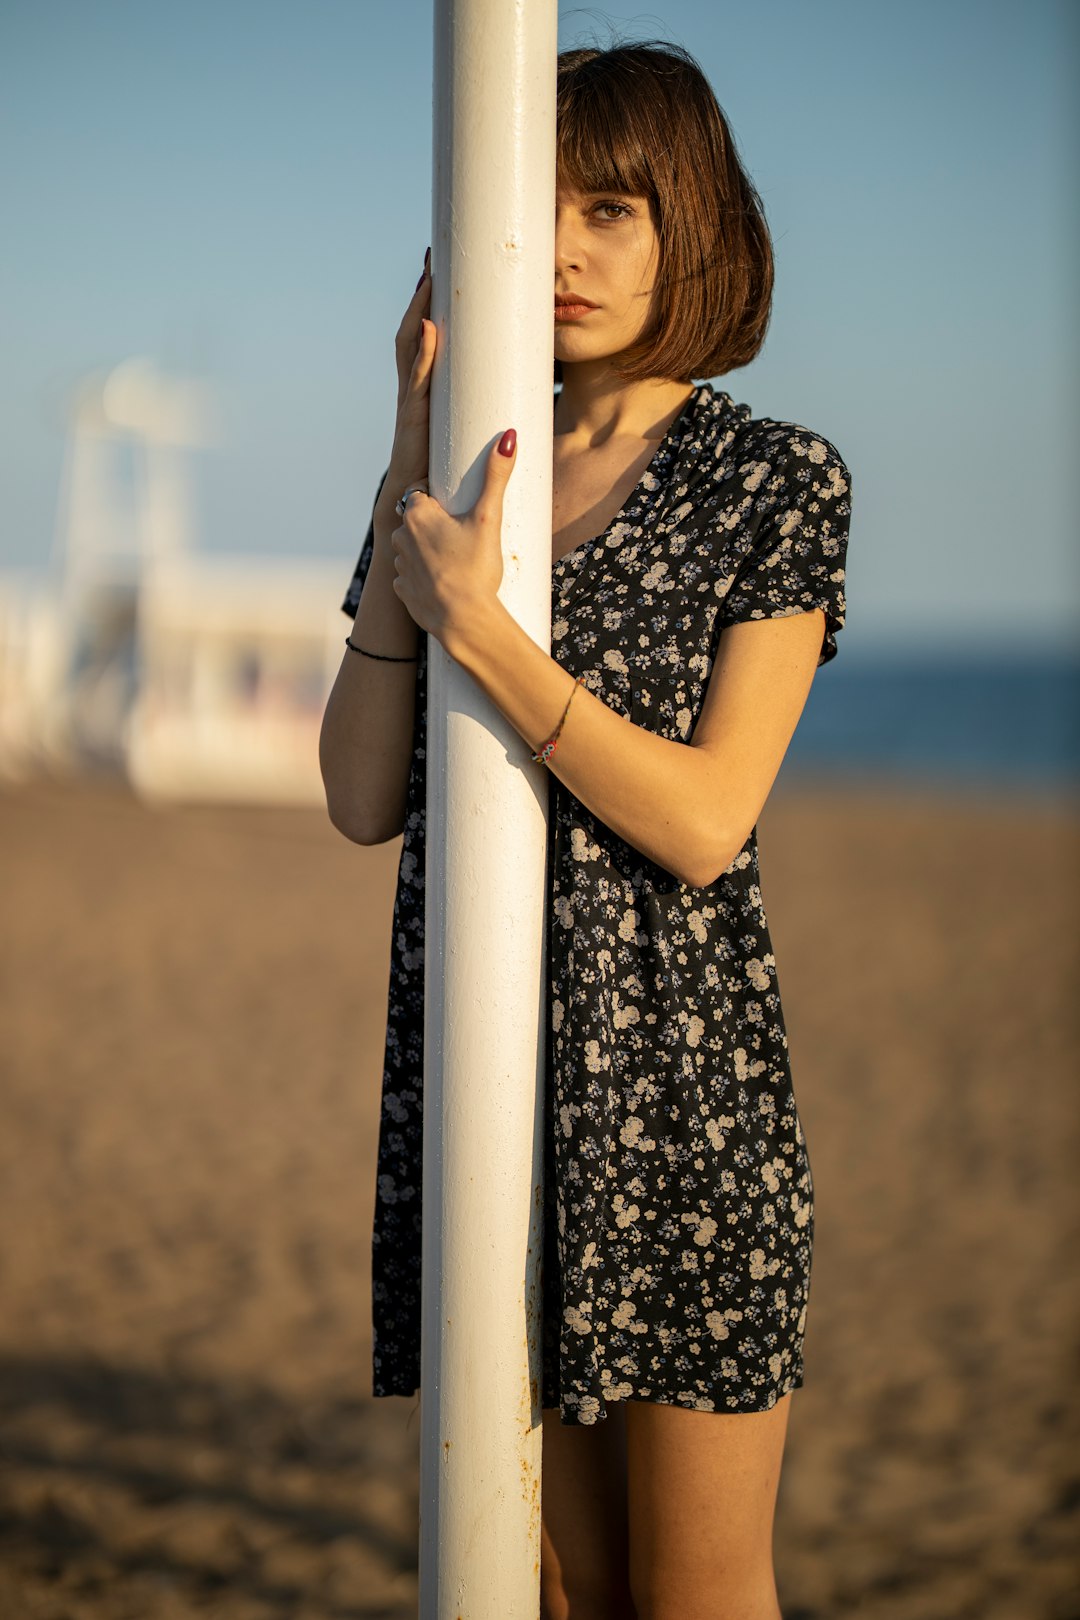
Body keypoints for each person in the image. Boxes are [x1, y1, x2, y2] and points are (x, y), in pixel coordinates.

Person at [320, 39, 851, 1620]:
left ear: (692, 225)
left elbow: (702, 822)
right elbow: (359, 797)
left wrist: (485, 633)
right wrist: (406, 467)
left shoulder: (774, 481)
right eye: (529, 209)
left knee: (689, 1596)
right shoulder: (471, 478)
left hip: (675, 1095)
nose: (558, 251)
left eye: (609, 209)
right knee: (541, 1588)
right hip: (483, 1081)